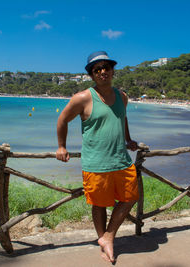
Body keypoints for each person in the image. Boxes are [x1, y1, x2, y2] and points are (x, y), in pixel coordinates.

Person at [56, 51, 139, 263]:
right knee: (99, 204)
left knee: (130, 198)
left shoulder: (122, 96)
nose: (103, 72)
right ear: (92, 75)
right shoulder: (83, 98)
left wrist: (128, 139)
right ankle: (104, 242)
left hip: (121, 159)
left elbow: (122, 118)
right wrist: (61, 146)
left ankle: (108, 237)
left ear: (112, 71)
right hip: (96, 162)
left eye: (106, 68)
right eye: (97, 69)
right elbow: (63, 120)